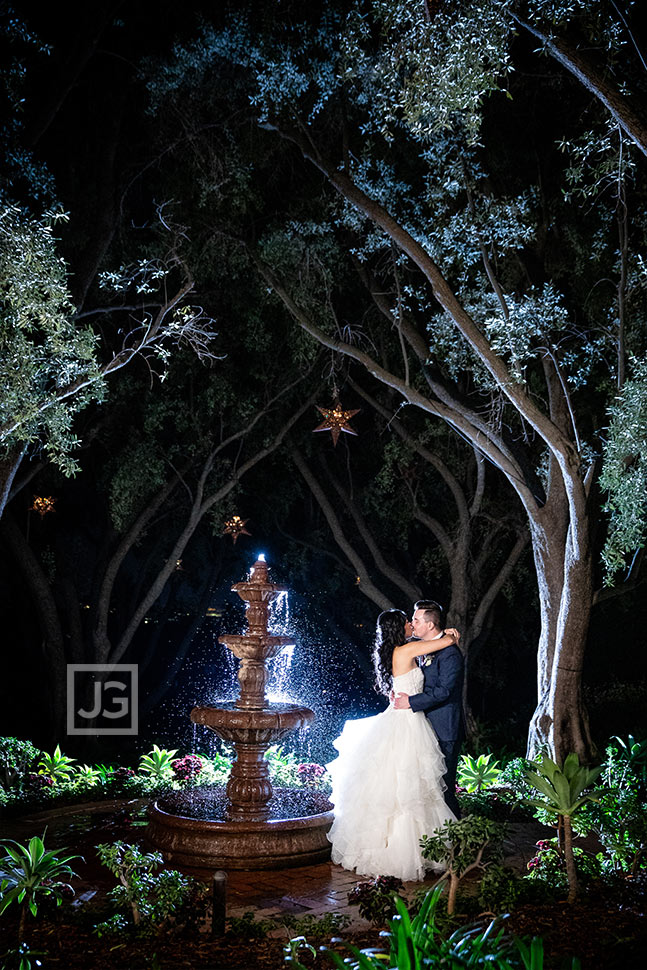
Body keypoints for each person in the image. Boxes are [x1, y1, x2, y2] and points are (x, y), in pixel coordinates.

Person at [326, 609, 459, 882]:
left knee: (407, 788)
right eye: (409, 622)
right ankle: (406, 854)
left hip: (407, 716)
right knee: (408, 789)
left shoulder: (401, 650)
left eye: (414, 620)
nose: (412, 624)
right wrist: (450, 633)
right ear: (401, 628)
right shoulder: (406, 651)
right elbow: (445, 642)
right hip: (407, 721)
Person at [393, 600, 465, 817]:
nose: (412, 624)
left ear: (430, 625)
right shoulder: (426, 648)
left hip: (445, 729)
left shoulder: (450, 653)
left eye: (415, 620)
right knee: (427, 788)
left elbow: (444, 691)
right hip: (424, 728)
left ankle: (454, 838)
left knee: (443, 788)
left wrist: (411, 702)